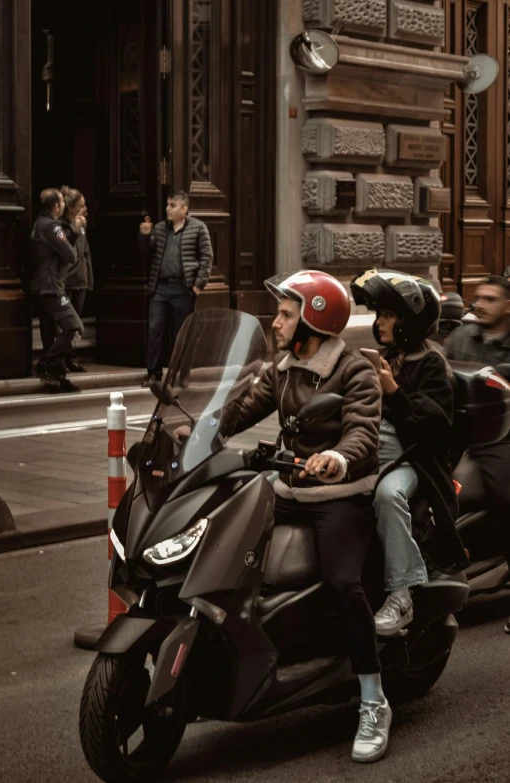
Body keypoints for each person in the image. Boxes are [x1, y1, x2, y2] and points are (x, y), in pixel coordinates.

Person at [224, 269, 391, 763]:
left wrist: (337, 459)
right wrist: (198, 426)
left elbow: (362, 432)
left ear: (312, 322)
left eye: (284, 314)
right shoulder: (283, 366)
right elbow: (244, 407)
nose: (275, 322)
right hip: (288, 487)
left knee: (344, 583)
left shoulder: (354, 370)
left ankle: (372, 698)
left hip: (338, 494)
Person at [351, 269, 469, 638]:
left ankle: (401, 596)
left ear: (411, 322)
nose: (380, 322)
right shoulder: (386, 358)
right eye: (379, 314)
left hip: (413, 459)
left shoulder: (432, 364)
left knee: (389, 496)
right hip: (373, 449)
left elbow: (429, 430)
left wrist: (392, 390)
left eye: (388, 315)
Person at [444, 275, 510, 623]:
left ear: (508, 306)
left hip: (502, 435)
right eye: (478, 298)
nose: (480, 304)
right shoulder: (461, 335)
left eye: (490, 299)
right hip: (459, 431)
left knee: (506, 494)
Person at [139, 191, 213, 387]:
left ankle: (181, 376)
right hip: (161, 287)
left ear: (184, 209)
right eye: (167, 205)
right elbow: (146, 254)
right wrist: (145, 236)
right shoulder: (161, 228)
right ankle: (154, 374)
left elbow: (207, 258)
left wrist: (198, 286)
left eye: (172, 205)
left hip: (184, 288)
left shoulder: (198, 228)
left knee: (183, 334)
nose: (167, 209)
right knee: (155, 330)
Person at [30, 188, 85, 393]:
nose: (63, 204)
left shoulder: (39, 223)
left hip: (42, 287)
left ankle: (57, 377)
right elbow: (71, 255)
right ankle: (45, 364)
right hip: (51, 288)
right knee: (74, 328)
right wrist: (76, 231)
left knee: (49, 334)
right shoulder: (52, 227)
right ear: (56, 206)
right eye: (62, 201)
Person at [59, 185, 94, 373]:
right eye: (81, 206)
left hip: (80, 279)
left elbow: (86, 251)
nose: (86, 209)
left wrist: (89, 278)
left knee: (76, 324)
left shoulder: (82, 225)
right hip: (66, 281)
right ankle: (60, 359)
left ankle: (71, 357)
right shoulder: (61, 226)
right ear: (70, 208)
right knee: (66, 324)